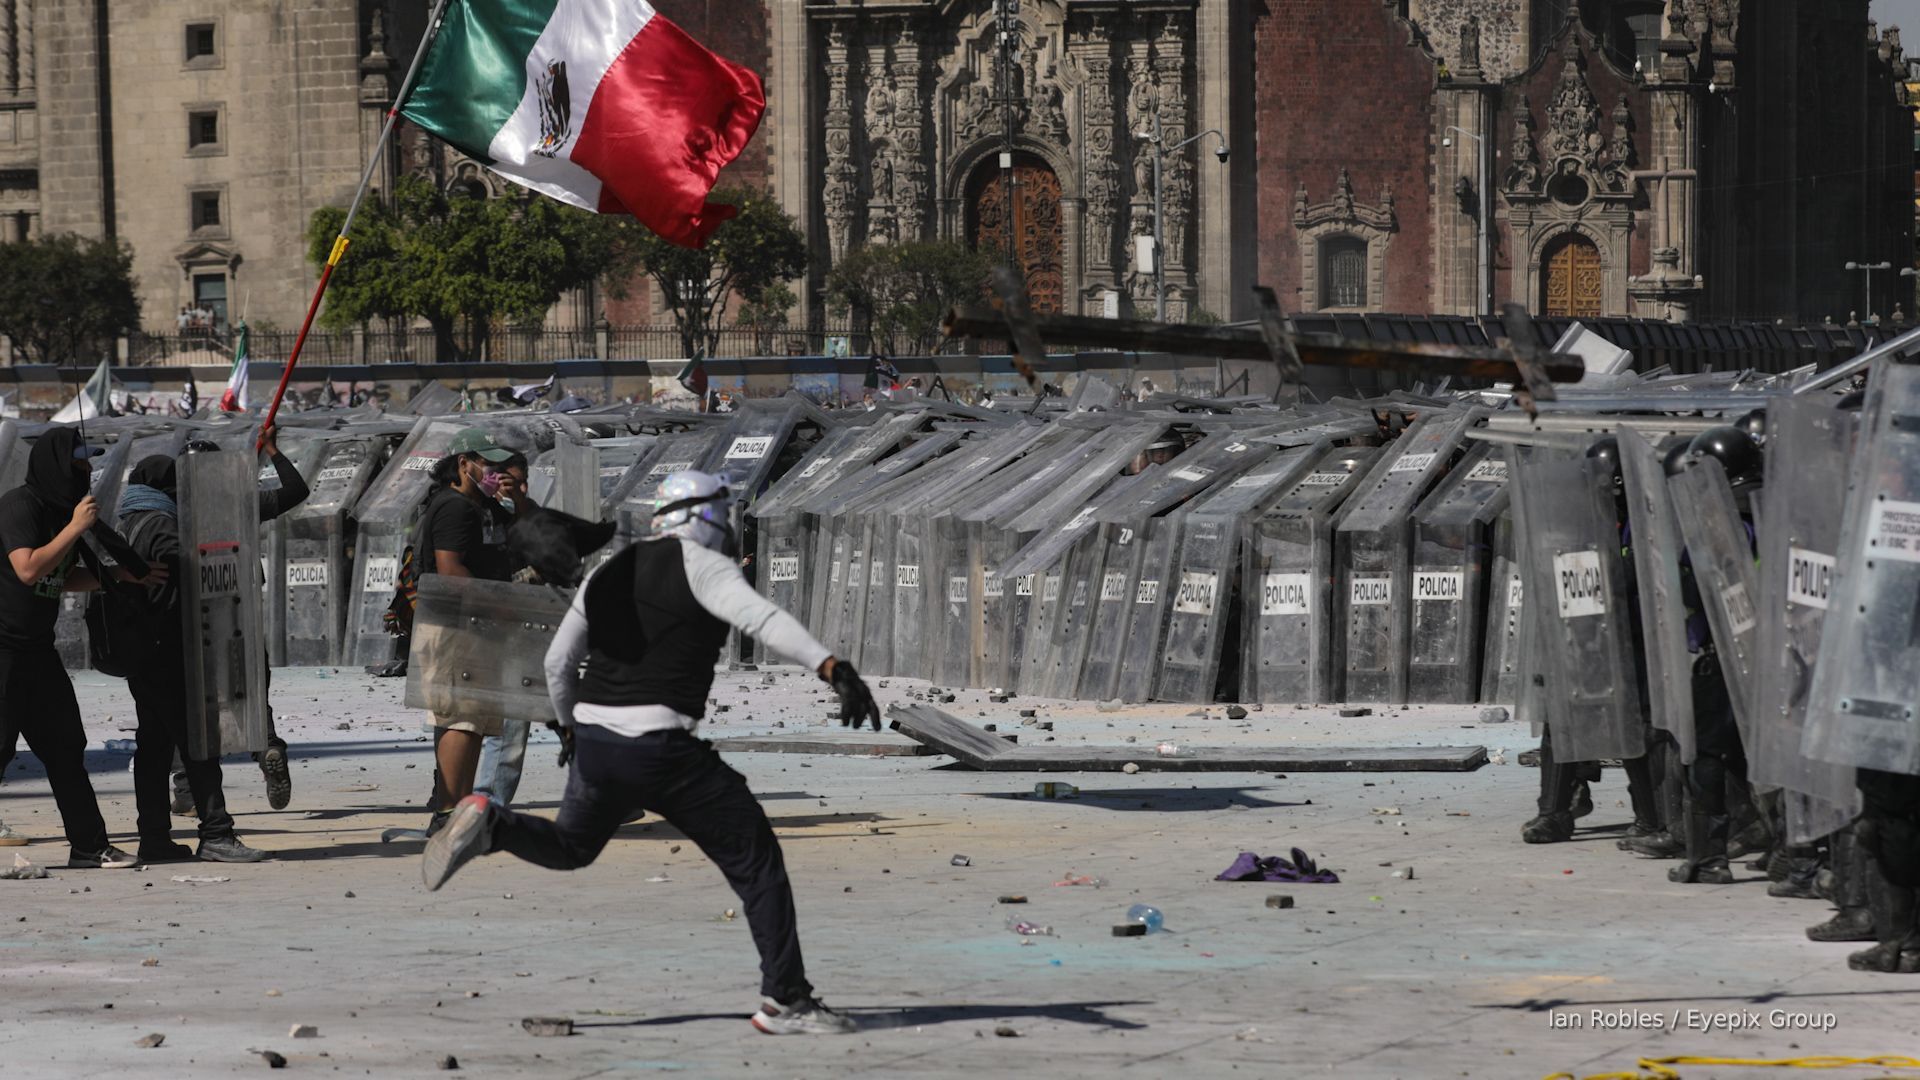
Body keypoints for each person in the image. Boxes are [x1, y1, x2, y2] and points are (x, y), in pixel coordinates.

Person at [422, 472, 884, 1035]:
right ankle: (787, 1000)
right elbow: (763, 620)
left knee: (571, 847)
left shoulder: (609, 570)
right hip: (661, 745)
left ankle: (492, 822)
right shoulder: (702, 564)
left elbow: (556, 666)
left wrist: (572, 730)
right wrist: (831, 667)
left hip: (597, 741)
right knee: (756, 860)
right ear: (709, 516)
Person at [118, 434, 309, 862]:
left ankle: (154, 837)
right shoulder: (172, 519)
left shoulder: (134, 517)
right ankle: (217, 832)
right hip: (183, 643)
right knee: (200, 738)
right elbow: (177, 567)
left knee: (155, 746)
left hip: (150, 649)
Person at [0, 428, 165, 867]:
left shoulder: (60, 511)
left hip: (37, 652)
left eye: (88, 461)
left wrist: (118, 576)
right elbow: (29, 569)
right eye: (78, 462)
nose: (86, 470)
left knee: (65, 749)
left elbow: (63, 576)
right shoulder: (21, 506)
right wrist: (75, 527)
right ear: (55, 465)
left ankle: (89, 847)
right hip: (3, 653)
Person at [415, 428, 517, 833]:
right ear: (464, 464)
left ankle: (460, 807)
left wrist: (516, 497)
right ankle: (446, 812)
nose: (494, 471)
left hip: (479, 626)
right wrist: (502, 609)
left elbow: (528, 529)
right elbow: (450, 571)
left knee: (477, 722)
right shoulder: (454, 508)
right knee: (458, 720)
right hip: (456, 626)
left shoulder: (485, 506)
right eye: (487, 464)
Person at [474, 452, 537, 808]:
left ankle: (490, 800)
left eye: (514, 481)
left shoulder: (526, 511)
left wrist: (519, 500)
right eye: (501, 480)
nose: (506, 488)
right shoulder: (478, 511)